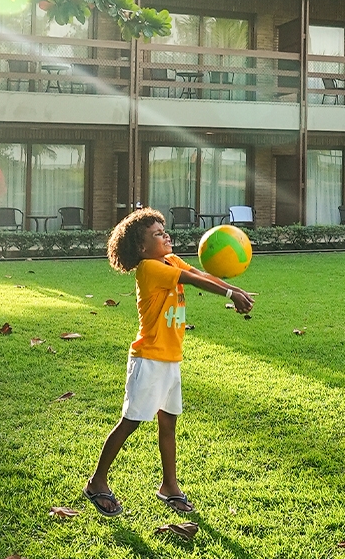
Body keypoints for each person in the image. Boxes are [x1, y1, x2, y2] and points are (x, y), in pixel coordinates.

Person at [83, 208, 254, 517]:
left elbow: (200, 274)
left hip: (170, 359)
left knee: (168, 422)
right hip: (148, 359)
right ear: (141, 248)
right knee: (131, 421)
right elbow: (190, 278)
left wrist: (237, 291)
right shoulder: (148, 269)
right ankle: (96, 482)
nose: (166, 235)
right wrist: (229, 291)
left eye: (165, 231)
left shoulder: (170, 260)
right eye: (157, 234)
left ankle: (169, 486)